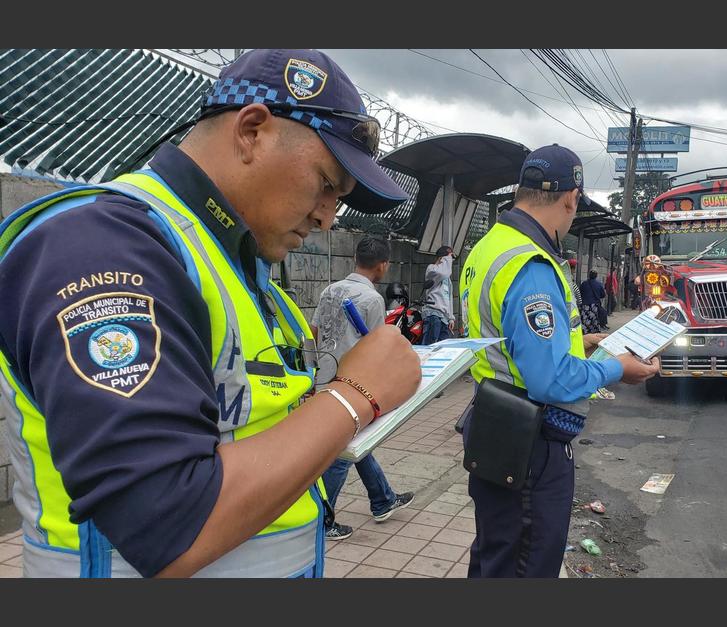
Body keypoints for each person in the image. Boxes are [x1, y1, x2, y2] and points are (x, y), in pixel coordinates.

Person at [0, 49, 422, 578]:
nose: (327, 217)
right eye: (327, 184)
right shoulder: (102, 246)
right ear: (251, 130)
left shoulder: (235, 264)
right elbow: (168, 522)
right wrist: (354, 395)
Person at [459, 144, 660, 578]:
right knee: (526, 565)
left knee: (496, 556)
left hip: (494, 427)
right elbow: (549, 380)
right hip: (529, 445)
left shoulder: (488, 247)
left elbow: (506, 338)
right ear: (572, 198)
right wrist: (616, 368)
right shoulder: (532, 265)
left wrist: (578, 340)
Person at [310, 236, 414, 540]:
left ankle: (382, 499)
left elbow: (313, 331)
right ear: (383, 266)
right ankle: (322, 522)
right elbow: (376, 347)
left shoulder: (330, 290)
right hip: (353, 386)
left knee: (357, 443)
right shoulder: (371, 300)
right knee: (340, 455)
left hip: (325, 377)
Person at [421, 245, 456, 344]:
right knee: (430, 347)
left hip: (444, 318)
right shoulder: (432, 269)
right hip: (433, 314)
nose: (450, 261)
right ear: (442, 258)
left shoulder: (447, 279)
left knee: (442, 350)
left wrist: (451, 318)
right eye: (449, 258)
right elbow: (443, 273)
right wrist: (447, 258)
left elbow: (449, 298)